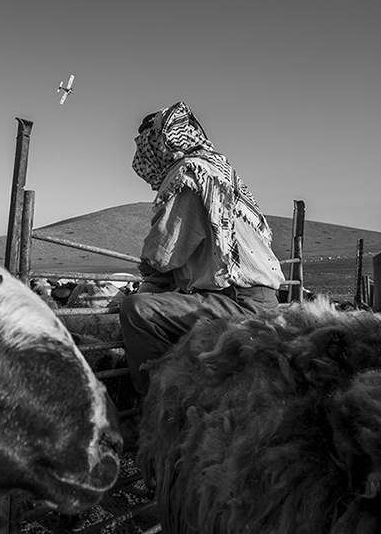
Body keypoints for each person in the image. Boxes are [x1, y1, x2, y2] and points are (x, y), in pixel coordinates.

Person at [120, 101, 285, 396]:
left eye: (147, 146)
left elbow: (161, 255)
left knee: (137, 310)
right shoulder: (223, 172)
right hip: (264, 298)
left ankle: (159, 407)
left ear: (159, 144)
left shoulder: (188, 174)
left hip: (237, 303)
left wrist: (152, 271)